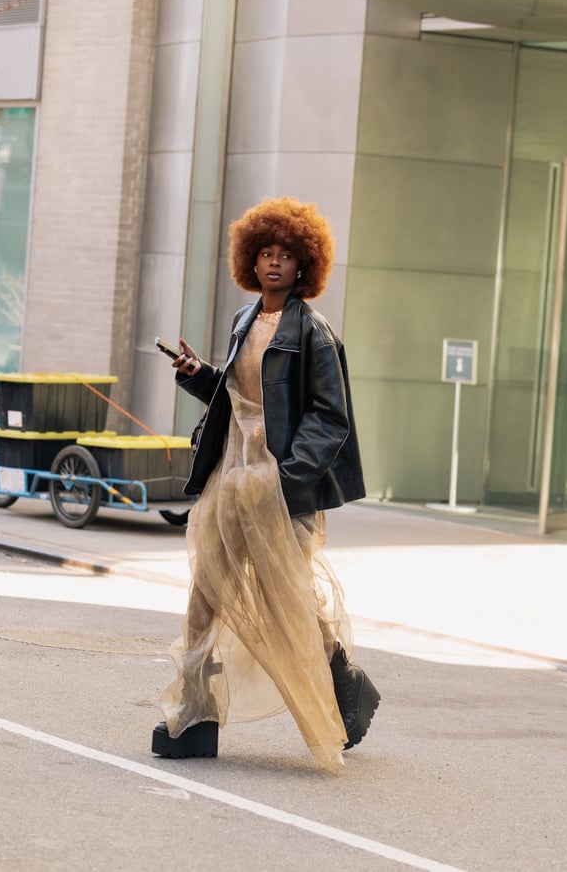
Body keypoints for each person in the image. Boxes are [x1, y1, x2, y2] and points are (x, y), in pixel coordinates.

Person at [151, 196, 380, 769]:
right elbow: (239, 402)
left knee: (289, 604)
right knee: (205, 593)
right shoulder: (243, 320)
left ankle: (343, 686)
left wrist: (284, 478)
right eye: (266, 253)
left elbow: (331, 418)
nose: (274, 264)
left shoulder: (315, 332)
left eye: (286, 256)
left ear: (305, 265)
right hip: (230, 477)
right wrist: (200, 375)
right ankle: (193, 716)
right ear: (250, 260)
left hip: (277, 486)